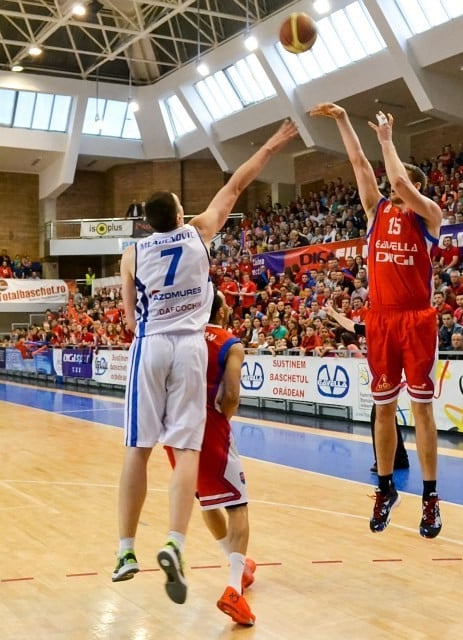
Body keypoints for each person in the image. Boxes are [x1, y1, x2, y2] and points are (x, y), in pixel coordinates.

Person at [112, 121, 298, 603]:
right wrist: (275, 141)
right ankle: (176, 540)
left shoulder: (131, 253)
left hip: (150, 343)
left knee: (138, 448)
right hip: (190, 345)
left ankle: (126, 549)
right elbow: (237, 183)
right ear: (178, 212)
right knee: (187, 453)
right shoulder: (198, 233)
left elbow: (130, 315)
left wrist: (140, 320)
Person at [310, 103, 443, 538]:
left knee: (421, 410)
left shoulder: (429, 215)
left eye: (402, 179)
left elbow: (400, 179)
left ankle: (430, 498)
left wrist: (388, 140)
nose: (392, 182)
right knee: (382, 411)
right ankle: (386, 489)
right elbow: (357, 163)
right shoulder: (376, 212)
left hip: (416, 320)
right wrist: (345, 119)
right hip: (382, 319)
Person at [166, 291, 256, 625]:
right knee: (238, 505)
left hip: (175, 432)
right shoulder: (230, 343)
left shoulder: (177, 337)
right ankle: (234, 588)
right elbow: (231, 395)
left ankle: (240, 568)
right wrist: (224, 420)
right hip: (210, 428)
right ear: (220, 309)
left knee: (206, 500)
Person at [324, 304, 410, 474]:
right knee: (387, 416)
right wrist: (334, 313)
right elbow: (351, 325)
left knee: (379, 416)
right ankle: (399, 458)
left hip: (393, 374)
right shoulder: (373, 327)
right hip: (385, 375)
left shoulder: (391, 328)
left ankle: (386, 460)